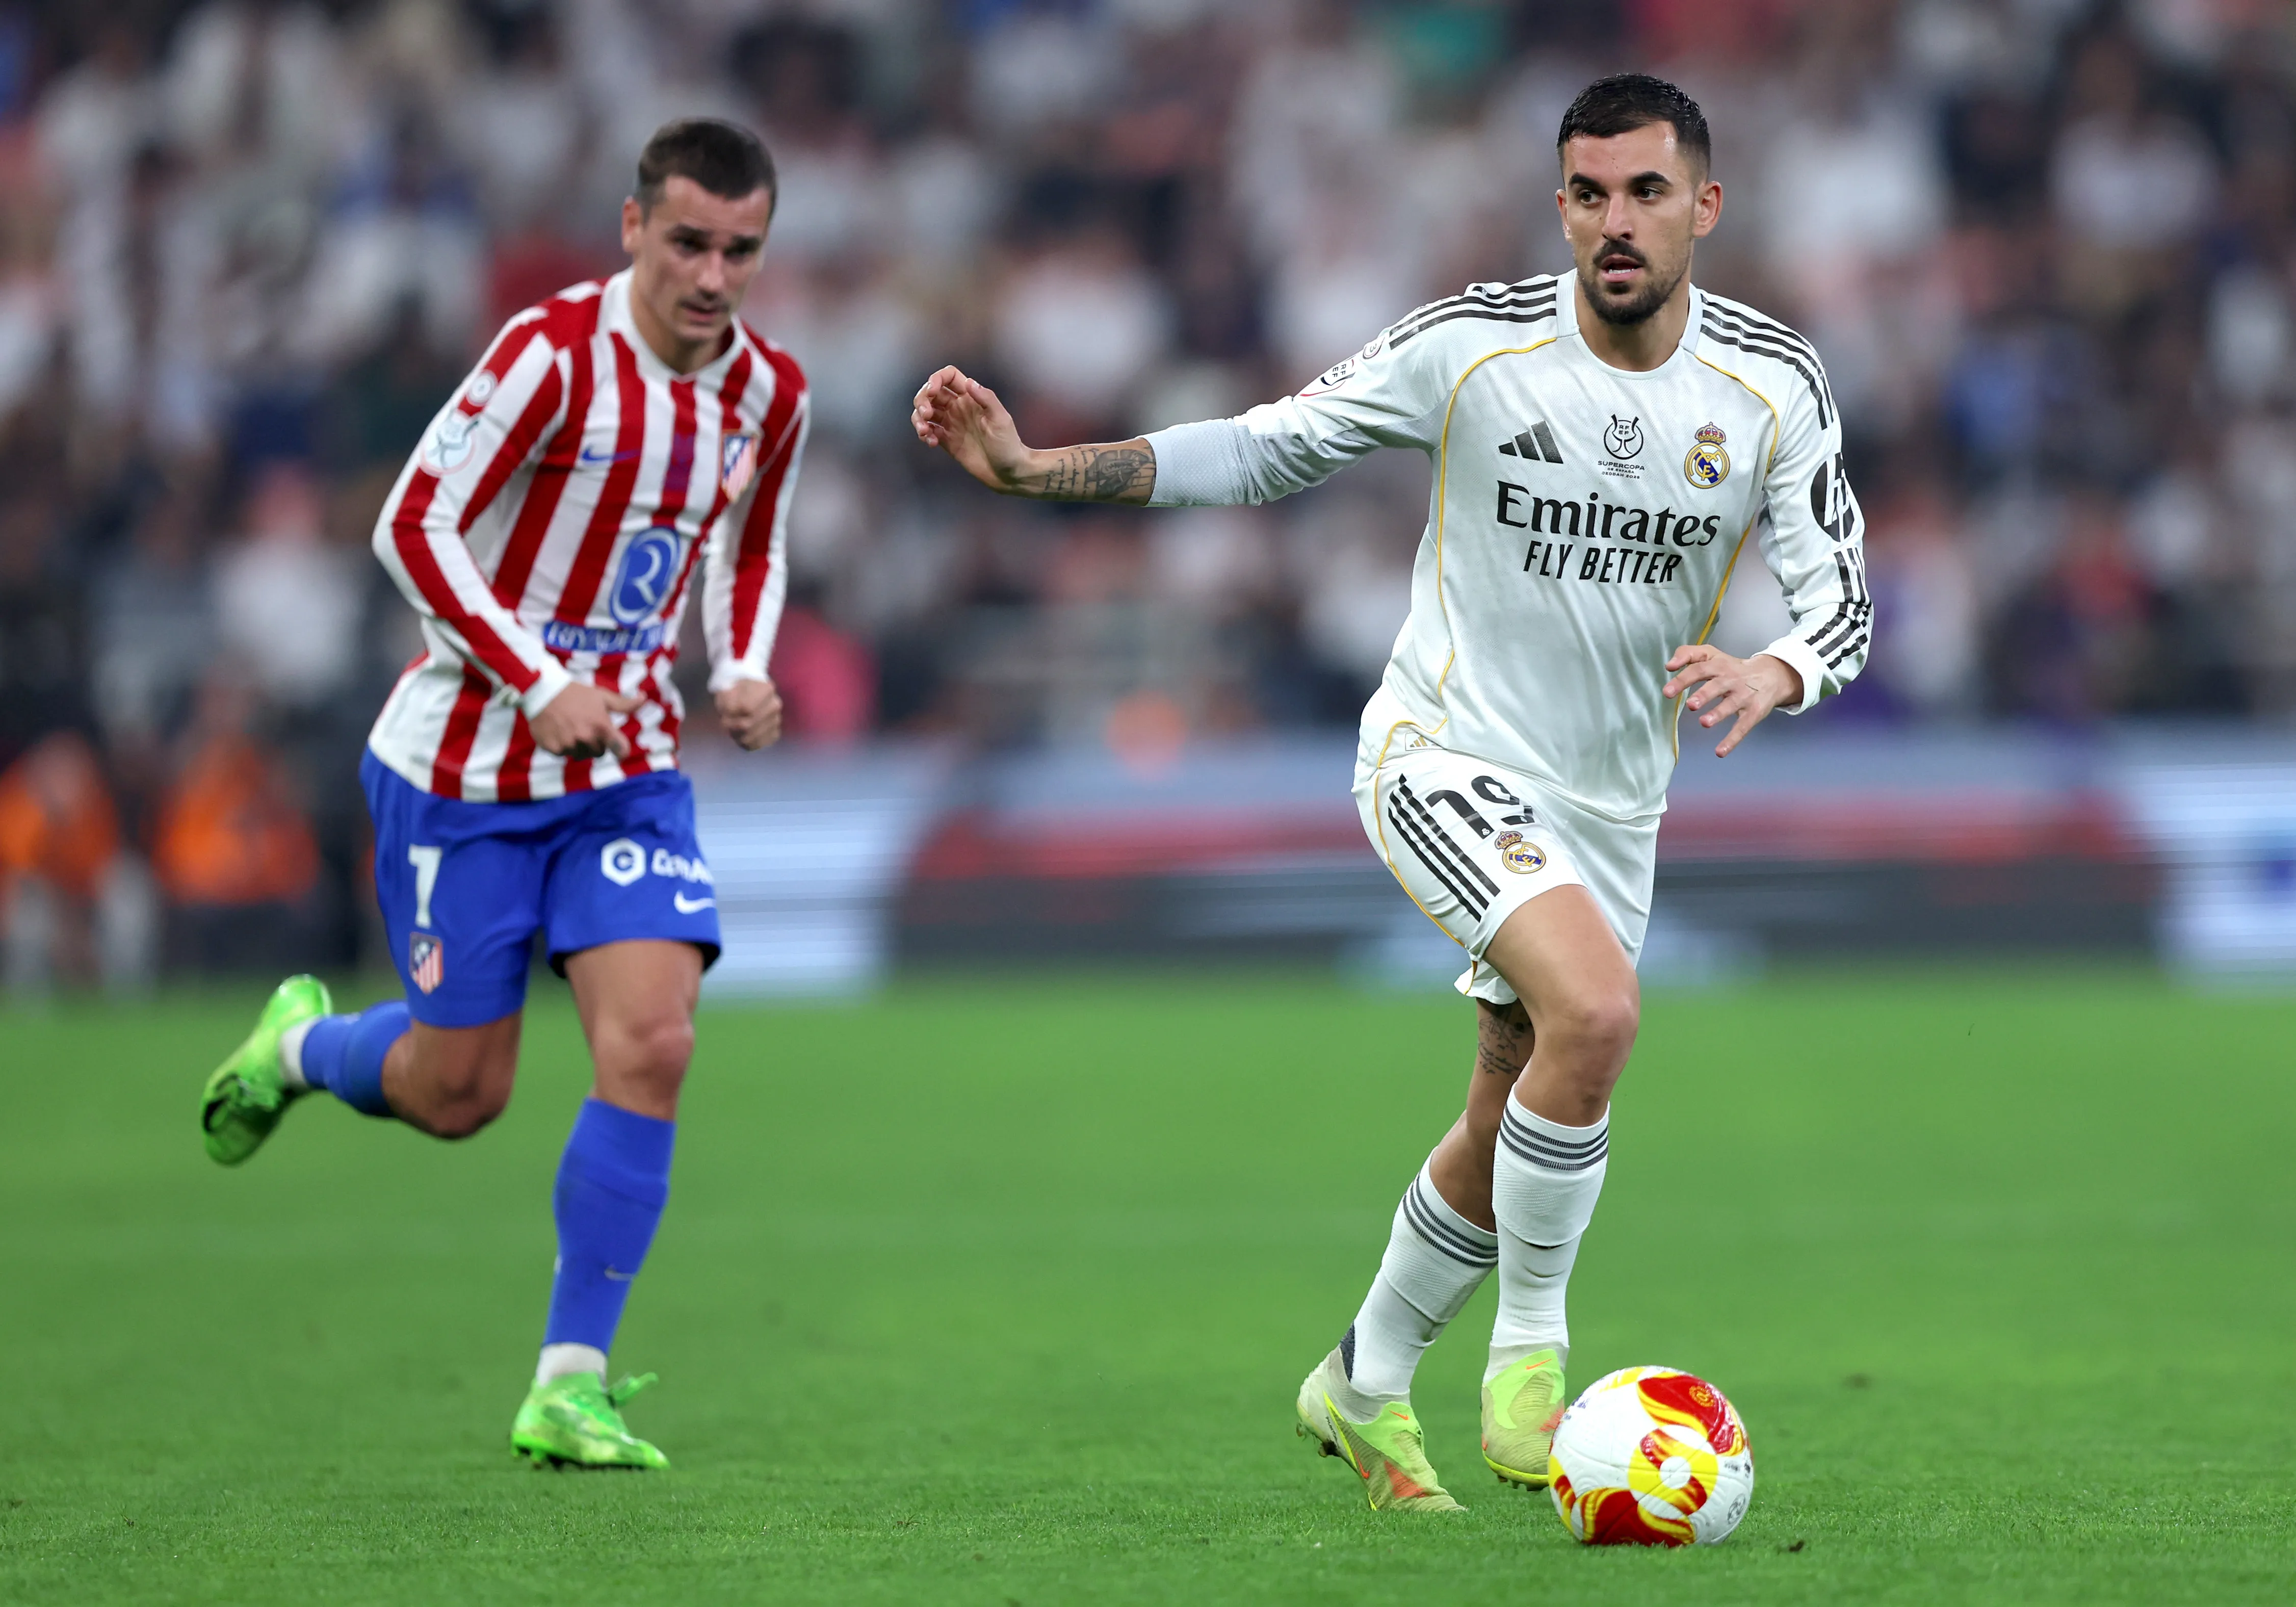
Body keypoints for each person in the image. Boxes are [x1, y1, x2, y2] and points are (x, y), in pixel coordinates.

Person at [912, 74, 1867, 1511]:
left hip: (1613, 808)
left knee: (1511, 1112)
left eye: (1648, 194)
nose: (1617, 222)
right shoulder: (1474, 345)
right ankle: (1531, 1361)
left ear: (1704, 208)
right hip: (1443, 755)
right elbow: (1268, 443)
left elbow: (1839, 593)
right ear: (1562, 205)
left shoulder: (1773, 383)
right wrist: (1038, 468)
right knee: (1598, 1015)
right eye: (1591, 194)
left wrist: (1780, 670)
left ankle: (1359, 1384)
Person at [198, 118, 807, 1470]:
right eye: (692, 242)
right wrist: (537, 680)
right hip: (468, 764)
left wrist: (747, 665)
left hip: (629, 770)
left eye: (743, 250)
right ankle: (302, 1049)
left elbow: (754, 542)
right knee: (458, 1090)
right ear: (634, 225)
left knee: (654, 1044)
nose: (715, 276)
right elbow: (408, 522)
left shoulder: (770, 392)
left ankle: (566, 1383)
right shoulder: (551, 357)